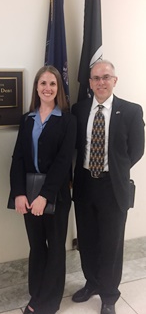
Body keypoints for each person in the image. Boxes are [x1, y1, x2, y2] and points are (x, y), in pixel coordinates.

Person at [71, 60, 145, 314]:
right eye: (96, 78)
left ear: (115, 80)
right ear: (90, 83)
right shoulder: (78, 110)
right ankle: (92, 283)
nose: (100, 82)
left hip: (113, 187)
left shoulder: (132, 111)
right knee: (88, 240)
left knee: (111, 244)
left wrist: (115, 168)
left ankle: (109, 296)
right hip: (83, 185)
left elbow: (136, 150)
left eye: (106, 77)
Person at [9, 65, 76, 314]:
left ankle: (48, 302)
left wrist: (44, 196)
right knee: (37, 246)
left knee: (56, 247)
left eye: (52, 84)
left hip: (55, 194)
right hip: (27, 193)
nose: (47, 88)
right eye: (43, 83)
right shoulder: (27, 119)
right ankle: (36, 294)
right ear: (36, 87)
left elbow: (62, 162)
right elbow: (18, 159)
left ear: (58, 89)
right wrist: (19, 193)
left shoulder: (68, 121)